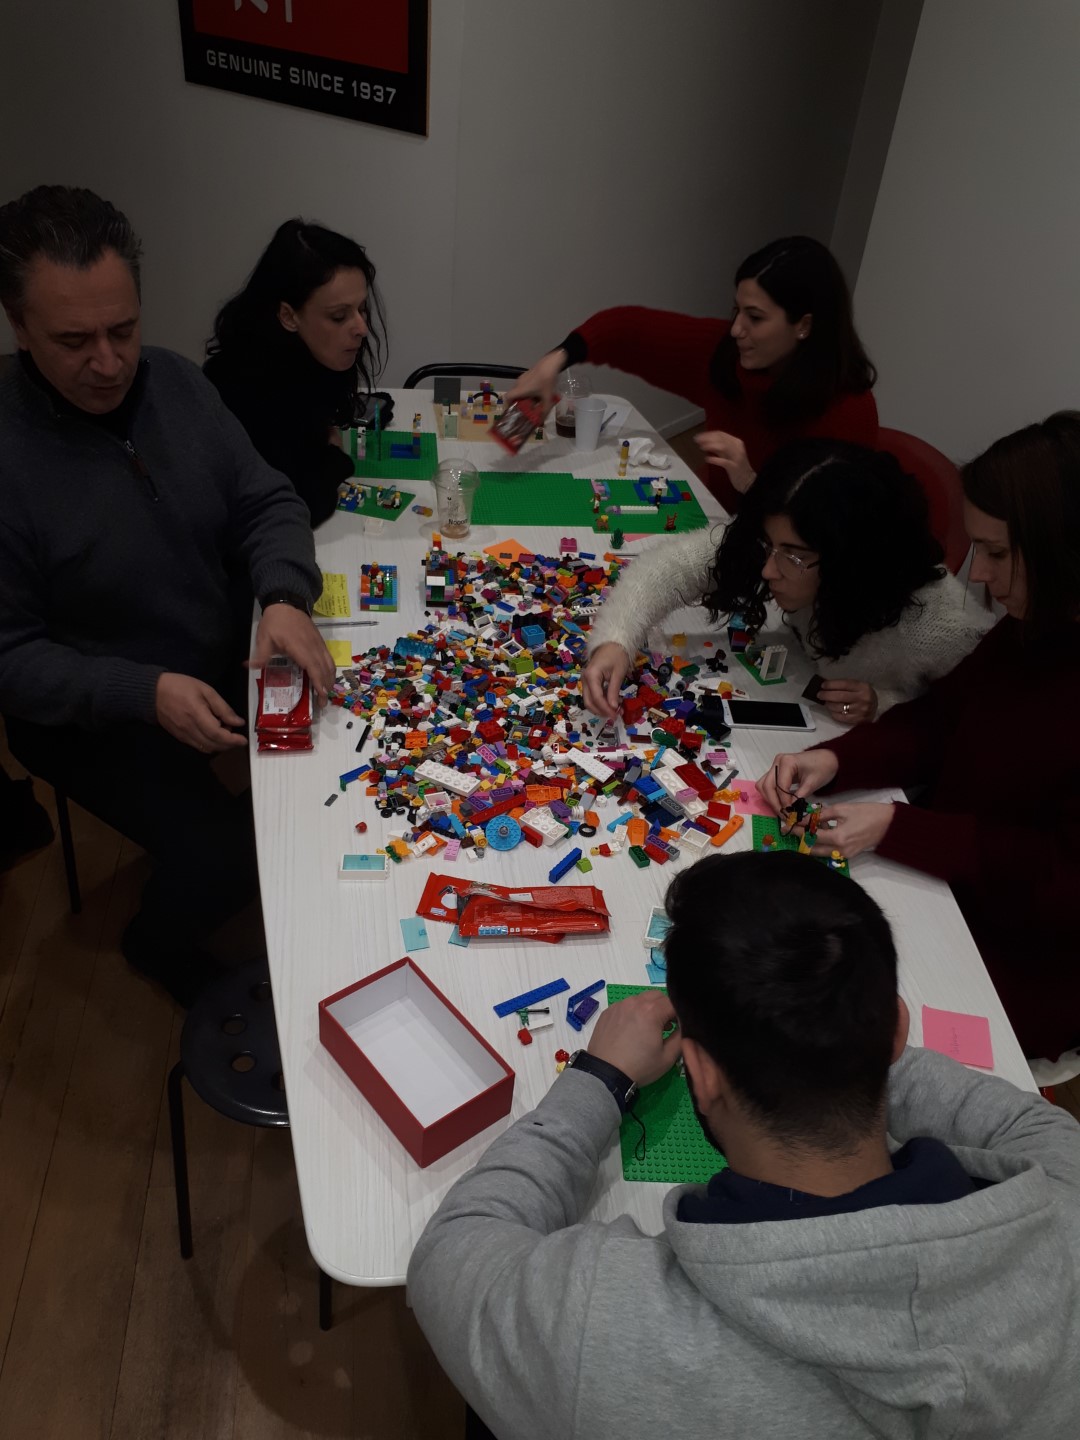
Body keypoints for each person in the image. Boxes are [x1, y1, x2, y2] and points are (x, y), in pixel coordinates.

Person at [408, 852, 1080, 1440]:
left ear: (699, 1074)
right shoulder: (1067, 1204)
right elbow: (1022, 1125)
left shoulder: (598, 1326)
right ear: (898, 1030)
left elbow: (454, 1250)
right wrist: (846, 1034)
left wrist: (602, 1077)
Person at [0, 185, 334, 1005]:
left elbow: (268, 500)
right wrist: (143, 692)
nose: (109, 363)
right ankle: (153, 942)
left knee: (343, 754)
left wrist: (283, 596)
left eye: (123, 329)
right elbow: (11, 660)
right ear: (17, 327)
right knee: (230, 859)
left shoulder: (177, 384)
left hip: (207, 647)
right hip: (90, 711)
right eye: (74, 340)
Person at [760, 412, 1080, 1060]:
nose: (978, 575)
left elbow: (1060, 880)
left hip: (1024, 954)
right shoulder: (1034, 623)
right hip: (946, 879)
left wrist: (898, 828)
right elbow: (941, 719)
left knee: (813, 1016)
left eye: (996, 553)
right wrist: (834, 760)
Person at [583, 439, 993, 725]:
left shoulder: (942, 627)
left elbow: (975, 725)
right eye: (768, 544)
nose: (767, 569)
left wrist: (883, 705)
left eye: (793, 555)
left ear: (850, 561)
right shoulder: (781, 544)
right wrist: (615, 641)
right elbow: (668, 568)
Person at [507, 235, 878, 513]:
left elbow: (830, 535)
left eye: (755, 317)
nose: (737, 329)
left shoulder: (849, 410)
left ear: (804, 325)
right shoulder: (724, 352)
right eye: (736, 310)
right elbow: (624, 329)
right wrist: (553, 361)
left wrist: (751, 483)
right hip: (705, 519)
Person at [204, 219, 386, 527]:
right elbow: (294, 505)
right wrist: (335, 457)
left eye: (362, 308)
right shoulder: (243, 389)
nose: (361, 328)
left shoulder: (307, 359)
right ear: (288, 316)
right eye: (339, 316)